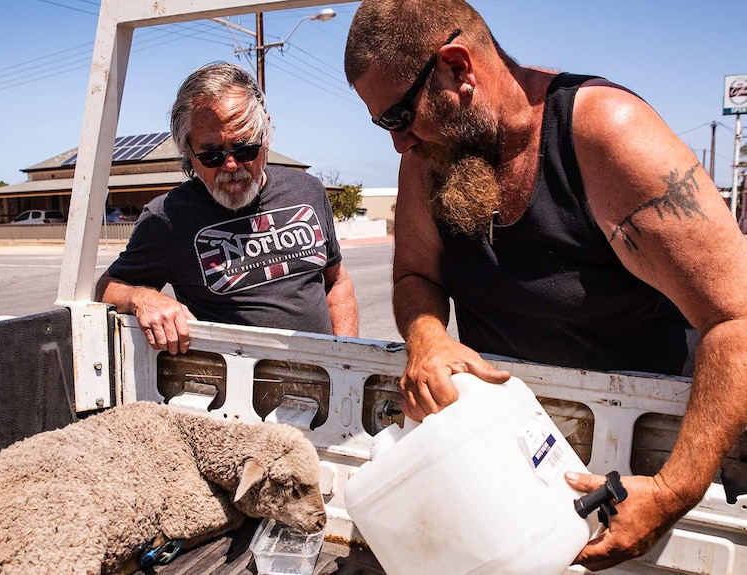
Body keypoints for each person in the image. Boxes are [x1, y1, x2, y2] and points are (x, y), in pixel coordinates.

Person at [344, 0, 747, 570]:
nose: (398, 143)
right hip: (510, 467)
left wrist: (671, 492)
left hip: (647, 459)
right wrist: (428, 337)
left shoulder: (605, 133)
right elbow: (416, 274)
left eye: (398, 117)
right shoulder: (428, 162)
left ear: (458, 69)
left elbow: (736, 318)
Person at [95, 62, 359, 353]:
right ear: (188, 152)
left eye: (244, 148)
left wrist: (344, 359)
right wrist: (142, 298)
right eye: (212, 155)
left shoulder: (307, 190)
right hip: (233, 392)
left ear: (266, 135)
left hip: (323, 382)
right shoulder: (167, 217)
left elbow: (337, 281)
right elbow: (106, 287)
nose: (231, 165)